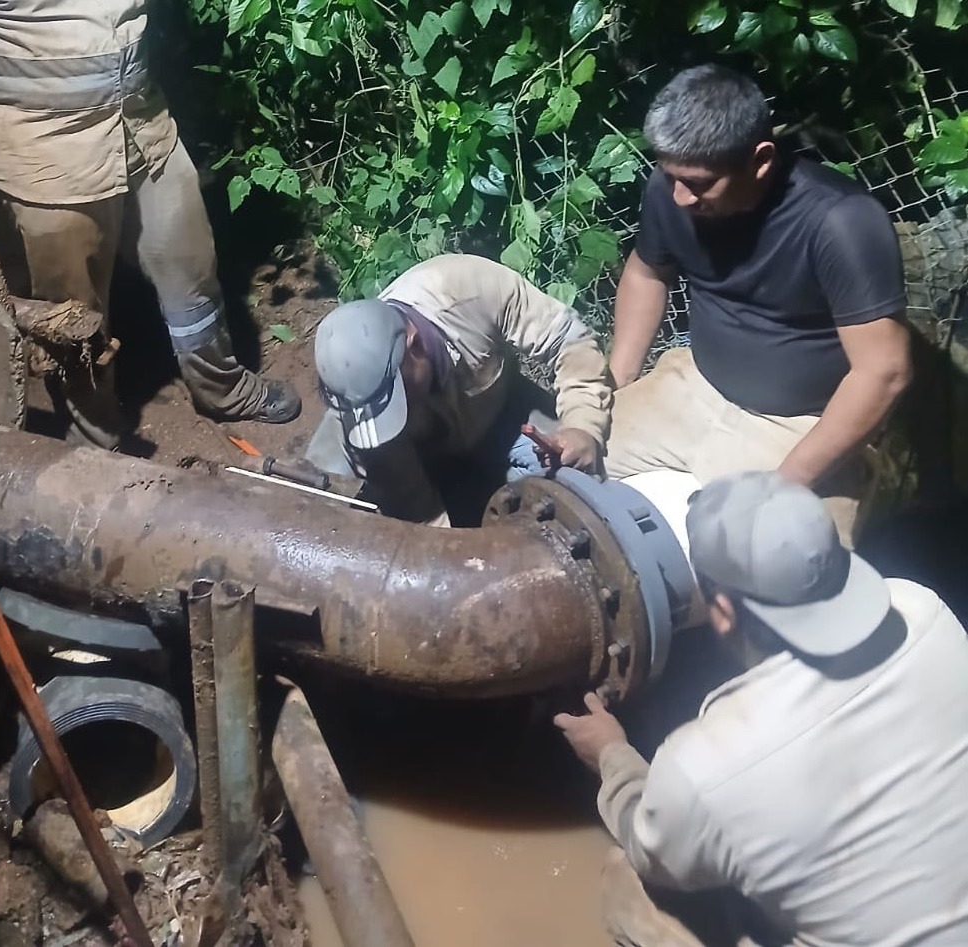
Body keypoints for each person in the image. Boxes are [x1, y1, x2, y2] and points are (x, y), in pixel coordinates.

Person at [555, 470, 968, 947]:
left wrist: (612, 755)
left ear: (724, 612)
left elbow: (651, 850)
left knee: (630, 886)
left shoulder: (704, 765)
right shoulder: (920, 607)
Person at [0, 0, 300, 449]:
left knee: (191, 267)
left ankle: (223, 388)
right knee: (74, 317)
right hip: (46, 153)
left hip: (143, 127)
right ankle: (95, 440)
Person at [604, 64, 912, 543]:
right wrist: (614, 386)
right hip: (691, 385)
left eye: (699, 182)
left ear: (760, 160)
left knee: (784, 564)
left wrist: (783, 486)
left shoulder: (841, 222)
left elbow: (884, 373)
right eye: (671, 176)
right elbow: (647, 273)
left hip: (798, 428)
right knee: (567, 466)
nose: (681, 197)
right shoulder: (674, 187)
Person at [305, 253, 612, 525]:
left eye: (395, 398)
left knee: (578, 476)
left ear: (414, 347)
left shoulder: (469, 290)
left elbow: (571, 342)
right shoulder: (361, 406)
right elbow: (415, 506)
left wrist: (583, 426)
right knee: (321, 502)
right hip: (417, 452)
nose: (395, 411)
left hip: (499, 415)